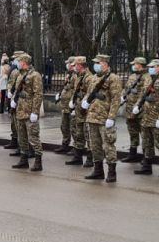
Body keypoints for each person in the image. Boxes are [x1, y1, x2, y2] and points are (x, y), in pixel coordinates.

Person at [83, 53, 122, 183]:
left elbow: (116, 99)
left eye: (98, 63)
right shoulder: (94, 78)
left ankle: (112, 172)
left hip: (105, 118)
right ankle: (98, 170)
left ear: (105, 64)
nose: (95, 65)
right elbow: (89, 93)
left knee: (108, 145)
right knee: (95, 146)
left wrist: (111, 117)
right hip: (92, 117)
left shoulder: (113, 78)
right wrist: (85, 102)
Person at [134, 58, 159, 178]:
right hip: (146, 118)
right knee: (146, 143)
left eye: (153, 67)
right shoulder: (148, 80)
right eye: (150, 67)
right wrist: (137, 106)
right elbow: (142, 95)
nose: (150, 69)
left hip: (157, 119)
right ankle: (147, 167)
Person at [11, 52, 44, 172]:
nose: (18, 63)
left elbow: (38, 94)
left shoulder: (35, 75)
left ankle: (38, 162)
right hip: (20, 111)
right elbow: (18, 91)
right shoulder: (20, 75)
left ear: (24, 62)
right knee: (22, 138)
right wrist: (14, 101)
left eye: (19, 61)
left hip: (30, 112)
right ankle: (23, 160)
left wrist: (35, 111)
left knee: (33, 138)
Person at [120, 57, 150, 163]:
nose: (133, 66)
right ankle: (133, 154)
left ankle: (146, 156)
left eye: (135, 64)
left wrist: (138, 106)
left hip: (140, 110)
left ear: (140, 65)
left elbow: (144, 93)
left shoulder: (147, 77)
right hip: (130, 109)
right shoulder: (132, 76)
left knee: (144, 134)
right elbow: (126, 88)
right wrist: (122, 97)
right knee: (132, 132)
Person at [64, 56, 90, 166]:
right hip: (78, 110)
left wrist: (84, 101)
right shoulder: (79, 76)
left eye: (75, 65)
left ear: (80, 65)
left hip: (86, 112)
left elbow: (90, 94)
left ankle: (90, 159)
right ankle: (77, 157)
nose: (74, 67)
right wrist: (73, 103)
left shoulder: (89, 77)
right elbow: (75, 92)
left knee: (88, 135)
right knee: (79, 134)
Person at [54, 58, 77, 154]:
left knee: (74, 128)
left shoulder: (76, 76)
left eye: (68, 63)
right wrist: (60, 94)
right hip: (65, 106)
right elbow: (65, 87)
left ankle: (76, 147)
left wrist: (74, 103)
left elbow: (76, 90)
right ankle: (65, 144)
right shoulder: (69, 74)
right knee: (64, 126)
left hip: (71, 106)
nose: (67, 65)